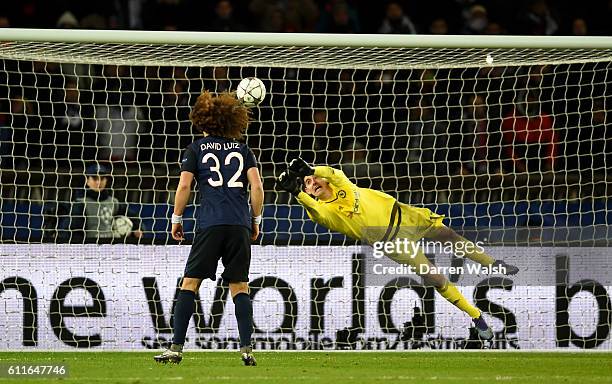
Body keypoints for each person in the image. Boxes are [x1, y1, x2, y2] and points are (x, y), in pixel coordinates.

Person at [276, 158, 519, 341]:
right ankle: (476, 316)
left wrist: (310, 170)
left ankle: (492, 264)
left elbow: (333, 172)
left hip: (403, 215)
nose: (312, 183)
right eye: (308, 184)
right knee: (434, 277)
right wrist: (297, 192)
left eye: (313, 180)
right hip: (393, 242)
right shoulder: (325, 212)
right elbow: (315, 209)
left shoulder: (342, 185)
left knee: (449, 236)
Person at [154, 91, 264, 365]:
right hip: (238, 225)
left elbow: (184, 186)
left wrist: (176, 219)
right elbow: (258, 187)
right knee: (240, 287)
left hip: (210, 224)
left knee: (190, 283)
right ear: (232, 121)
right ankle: (247, 349)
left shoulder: (195, 149)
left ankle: (176, 348)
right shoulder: (243, 149)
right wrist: (256, 220)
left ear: (203, 122)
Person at [47, 163, 144, 242]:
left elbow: (135, 217)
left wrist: (139, 229)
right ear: (87, 181)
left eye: (102, 178)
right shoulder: (80, 204)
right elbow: (70, 230)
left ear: (106, 180)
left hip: (111, 249)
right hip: (90, 249)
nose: (99, 182)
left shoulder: (113, 202)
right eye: (95, 178)